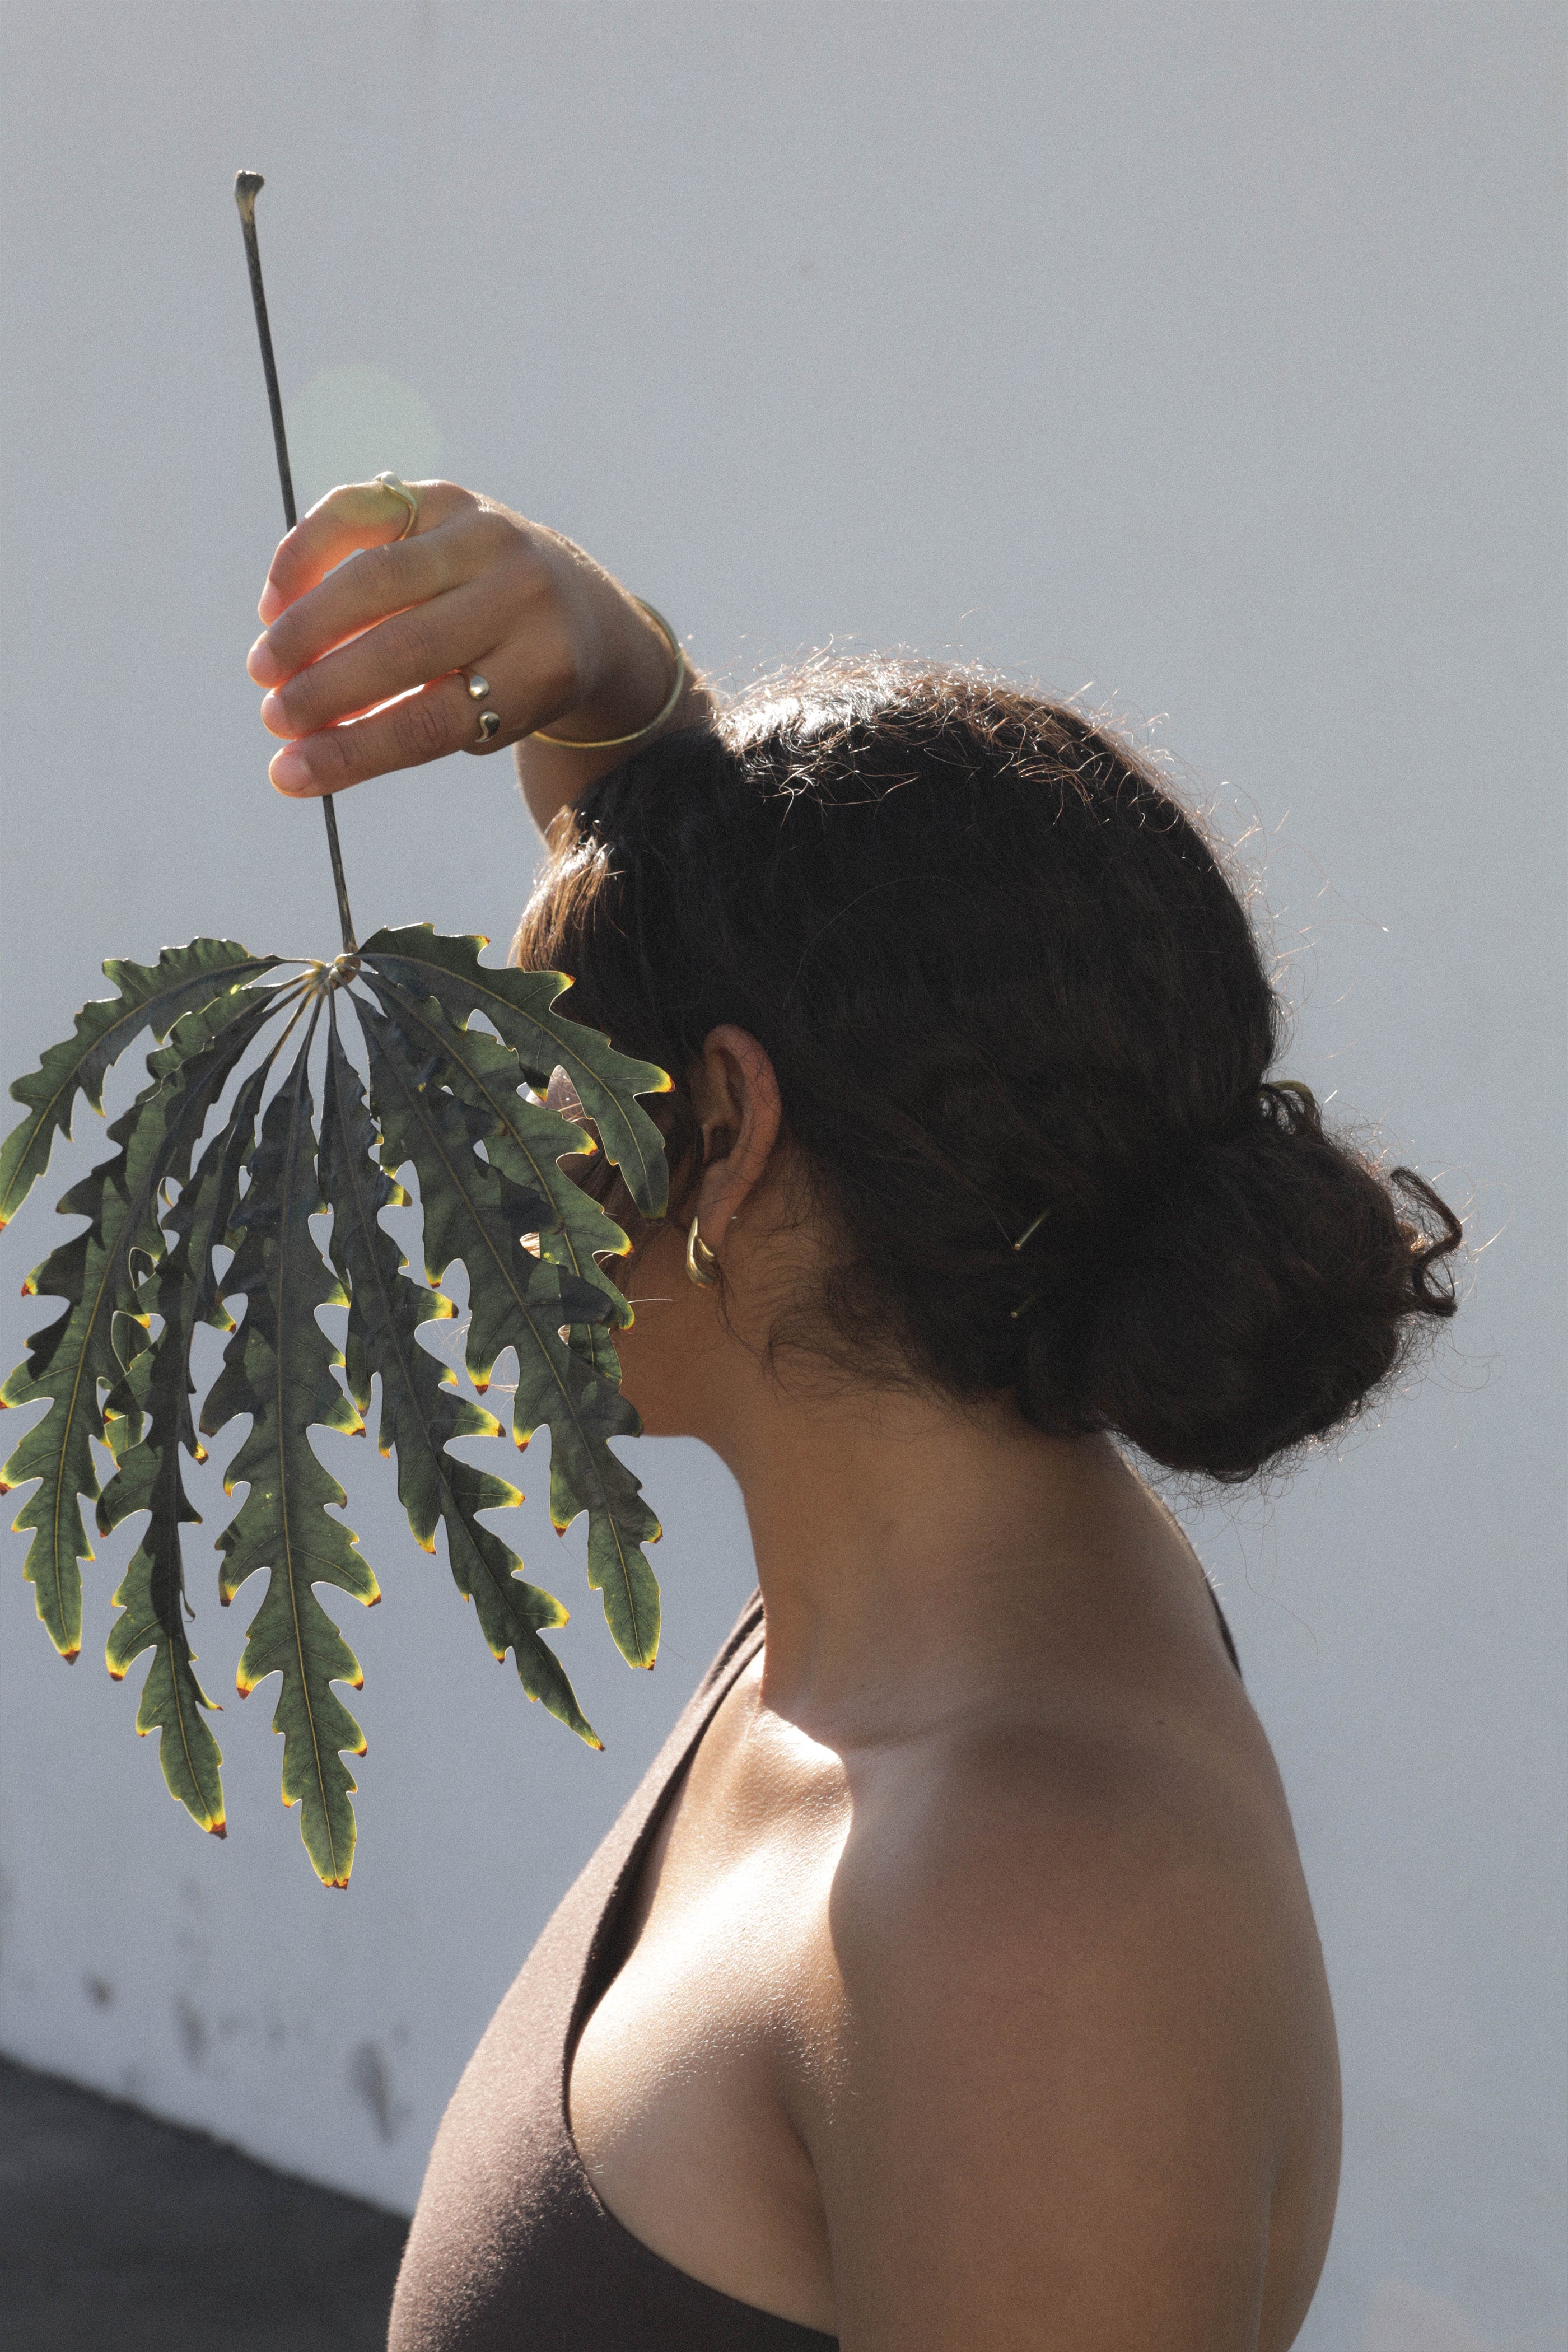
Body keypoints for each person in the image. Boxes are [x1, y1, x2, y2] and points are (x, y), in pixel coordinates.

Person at [248, 477, 1461, 2350]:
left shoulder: (1030, 1918)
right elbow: (802, 960)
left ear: (722, 1137)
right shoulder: (923, 1610)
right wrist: (622, 690)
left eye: (541, 1071)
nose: (493, 1159)